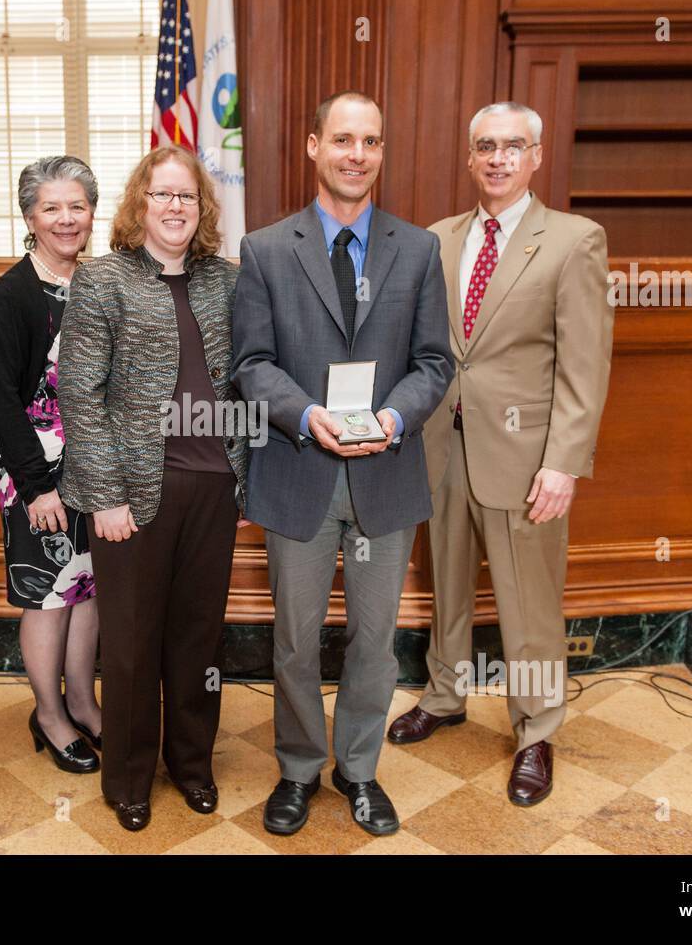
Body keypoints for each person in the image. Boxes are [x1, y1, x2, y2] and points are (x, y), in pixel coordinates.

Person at [231, 91, 454, 837]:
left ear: (382, 152)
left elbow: (432, 361)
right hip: (299, 469)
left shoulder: (418, 249)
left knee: (373, 635)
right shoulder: (265, 249)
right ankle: (297, 768)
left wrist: (392, 419)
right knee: (295, 637)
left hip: (385, 473)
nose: (357, 154)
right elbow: (253, 365)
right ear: (313, 146)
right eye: (343, 139)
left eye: (371, 141)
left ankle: (358, 770)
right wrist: (307, 415)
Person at [386, 101, 613, 808]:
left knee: (530, 603)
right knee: (445, 584)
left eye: (514, 146)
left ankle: (537, 728)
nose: (498, 158)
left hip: (527, 458)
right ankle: (447, 694)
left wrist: (564, 461)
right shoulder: (438, 240)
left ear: (536, 157)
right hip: (440, 447)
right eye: (485, 145)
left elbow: (586, 364)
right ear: (470, 155)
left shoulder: (574, 240)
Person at [59, 146, 248, 831]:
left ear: (202, 208)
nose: (175, 206)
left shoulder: (224, 282)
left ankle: (192, 765)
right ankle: (130, 776)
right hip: (134, 494)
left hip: (214, 486)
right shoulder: (102, 280)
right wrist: (105, 496)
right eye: (163, 194)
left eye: (187, 196)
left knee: (198, 641)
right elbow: (79, 394)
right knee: (134, 643)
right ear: (139, 203)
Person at [0, 155, 101, 775]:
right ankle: (49, 713)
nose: (66, 218)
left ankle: (82, 699)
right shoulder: (13, 295)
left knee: (88, 592)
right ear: (29, 217)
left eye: (76, 205)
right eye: (51, 208)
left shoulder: (102, 282)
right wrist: (35, 487)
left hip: (96, 475)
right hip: (38, 479)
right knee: (50, 598)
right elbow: (1, 399)